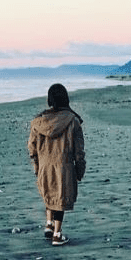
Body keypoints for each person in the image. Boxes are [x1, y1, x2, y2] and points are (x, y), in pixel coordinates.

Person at [27, 83, 86, 246]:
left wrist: (36, 166)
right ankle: (57, 235)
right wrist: (80, 169)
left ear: (50, 100)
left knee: (49, 194)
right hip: (64, 166)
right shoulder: (73, 121)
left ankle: (49, 224)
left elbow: (31, 147)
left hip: (44, 166)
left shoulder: (38, 122)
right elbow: (79, 151)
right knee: (60, 198)